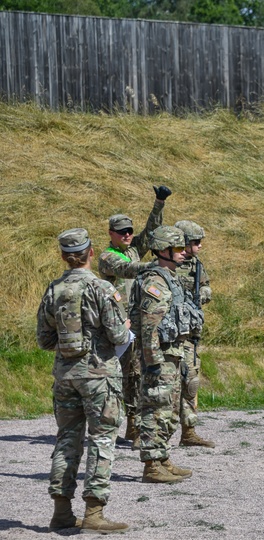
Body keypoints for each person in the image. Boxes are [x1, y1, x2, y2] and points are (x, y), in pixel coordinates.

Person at [36, 228, 131, 533]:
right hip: (99, 375)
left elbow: (44, 340)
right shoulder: (101, 288)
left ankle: (61, 511)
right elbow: (118, 335)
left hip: (65, 375)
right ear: (91, 253)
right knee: (103, 439)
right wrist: (124, 325)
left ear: (64, 256)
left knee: (67, 439)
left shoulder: (53, 290)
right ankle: (94, 511)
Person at [98, 185, 171, 446]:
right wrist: (156, 264)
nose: (128, 235)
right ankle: (131, 424)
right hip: (118, 327)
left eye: (129, 231)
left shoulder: (130, 248)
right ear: (111, 234)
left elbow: (150, 235)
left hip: (134, 324)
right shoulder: (108, 256)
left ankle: (134, 427)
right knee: (128, 375)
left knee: (138, 373)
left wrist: (159, 203)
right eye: (122, 232)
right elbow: (128, 269)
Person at [133, 225, 198, 484]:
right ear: (163, 250)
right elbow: (149, 326)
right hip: (159, 355)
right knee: (154, 407)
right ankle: (151, 465)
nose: (184, 253)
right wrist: (152, 361)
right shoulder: (155, 281)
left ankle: (162, 457)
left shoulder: (169, 277)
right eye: (179, 248)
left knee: (168, 408)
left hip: (173, 352)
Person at [173, 219, 215, 448]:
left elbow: (206, 286)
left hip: (189, 334)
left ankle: (188, 431)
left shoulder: (196, 265)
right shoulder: (163, 265)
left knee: (191, 381)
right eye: (195, 242)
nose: (199, 246)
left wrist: (201, 296)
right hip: (167, 336)